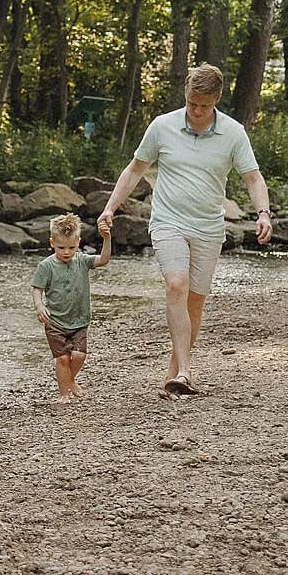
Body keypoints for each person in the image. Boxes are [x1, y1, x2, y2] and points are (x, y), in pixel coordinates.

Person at [98, 63, 273, 397]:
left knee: (194, 303)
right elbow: (135, 169)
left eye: (204, 105)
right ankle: (185, 370)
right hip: (168, 221)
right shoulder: (162, 126)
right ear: (186, 95)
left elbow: (253, 177)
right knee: (176, 285)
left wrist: (263, 213)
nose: (196, 111)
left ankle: (175, 374)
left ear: (217, 99)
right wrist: (111, 207)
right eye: (192, 103)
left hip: (208, 227)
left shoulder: (233, 133)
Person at [32, 213, 112, 403]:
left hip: (80, 319)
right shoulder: (46, 266)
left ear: (78, 242)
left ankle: (70, 380)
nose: (66, 252)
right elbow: (37, 289)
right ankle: (64, 393)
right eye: (61, 247)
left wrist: (107, 239)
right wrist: (39, 305)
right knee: (62, 359)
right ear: (52, 243)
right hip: (55, 321)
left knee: (78, 355)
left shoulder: (82, 261)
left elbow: (104, 260)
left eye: (71, 247)